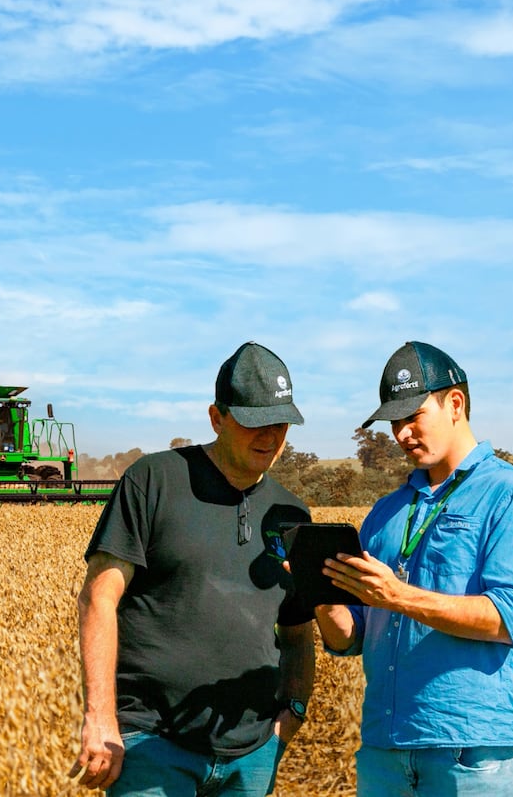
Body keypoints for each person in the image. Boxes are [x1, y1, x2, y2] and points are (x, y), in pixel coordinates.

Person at [70, 341, 315, 796]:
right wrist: (100, 716)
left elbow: (298, 632)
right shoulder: (154, 480)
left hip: (253, 751)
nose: (271, 435)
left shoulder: (291, 513)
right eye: (254, 422)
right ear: (217, 418)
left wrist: (293, 711)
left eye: (281, 422)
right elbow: (98, 598)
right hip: (153, 745)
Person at [314, 340, 513, 797]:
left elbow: (508, 619)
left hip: (474, 753)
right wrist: (320, 594)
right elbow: (352, 639)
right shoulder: (385, 512)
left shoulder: (509, 494)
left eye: (412, 417)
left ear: (456, 404)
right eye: (394, 422)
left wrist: (397, 596)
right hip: (384, 749)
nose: (401, 433)